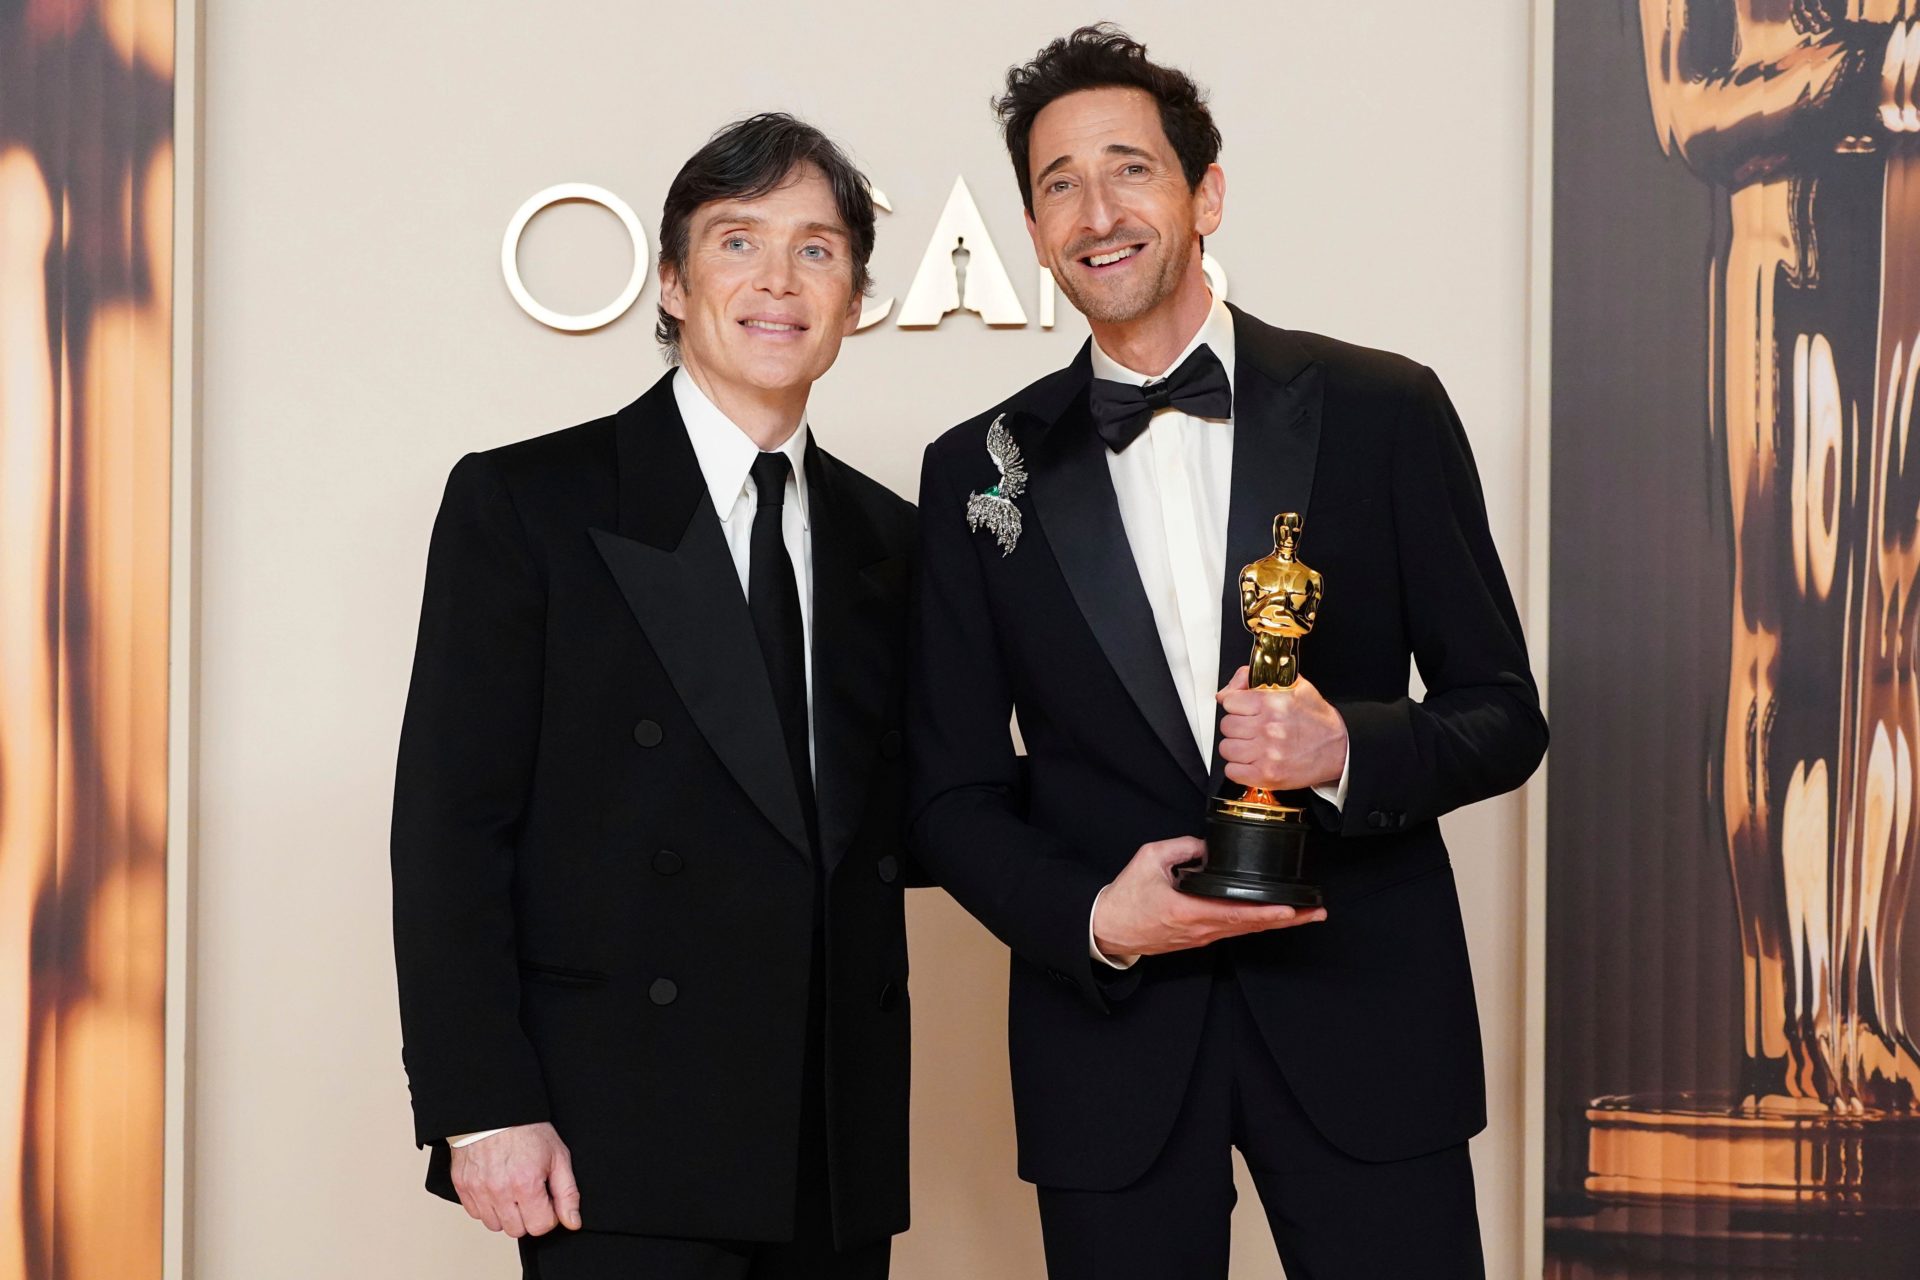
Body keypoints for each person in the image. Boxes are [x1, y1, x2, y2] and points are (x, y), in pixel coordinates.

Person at [908, 26, 1548, 1278]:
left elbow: (1504, 712)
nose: (1097, 211)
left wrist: (1344, 748)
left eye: (1130, 168)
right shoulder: (974, 470)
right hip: (1112, 1042)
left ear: (1204, 193)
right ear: (1034, 232)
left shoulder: (1384, 408)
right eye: (1057, 184)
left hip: (1367, 1021)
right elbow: (946, 793)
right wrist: (1098, 917)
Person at [391, 112, 915, 1280]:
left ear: (857, 296)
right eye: (738, 244)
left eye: (819, 249)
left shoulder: (895, 539)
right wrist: (482, 1104)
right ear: (673, 284)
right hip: (609, 1128)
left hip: (832, 1134)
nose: (779, 281)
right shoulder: (527, 502)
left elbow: (916, 812)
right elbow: (449, 826)